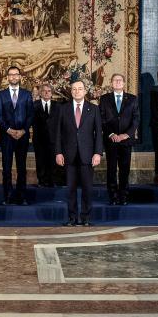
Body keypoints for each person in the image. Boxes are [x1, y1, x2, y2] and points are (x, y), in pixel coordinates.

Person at [55, 79, 103, 226]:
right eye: (74, 89)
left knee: (87, 189)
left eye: (80, 89)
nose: (77, 91)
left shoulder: (93, 109)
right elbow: (58, 133)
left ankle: (86, 218)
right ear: (71, 92)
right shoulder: (63, 109)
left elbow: (98, 133)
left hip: (87, 155)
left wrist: (98, 153)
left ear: (85, 91)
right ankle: (72, 218)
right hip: (68, 155)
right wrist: (58, 152)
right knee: (70, 189)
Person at [0, 65, 34, 205]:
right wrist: (9, 130)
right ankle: (8, 197)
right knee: (6, 168)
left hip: (23, 136)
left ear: (20, 76)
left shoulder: (27, 94)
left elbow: (31, 115)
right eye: (11, 74)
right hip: (7, 136)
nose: (14, 77)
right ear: (7, 77)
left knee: (22, 168)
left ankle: (21, 196)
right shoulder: (1, 95)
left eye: (16, 74)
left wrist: (23, 130)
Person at [100, 73, 139, 205]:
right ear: (111, 83)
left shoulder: (132, 99)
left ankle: (123, 196)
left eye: (120, 80)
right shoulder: (104, 99)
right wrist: (111, 134)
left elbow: (136, 119)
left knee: (124, 169)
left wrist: (126, 135)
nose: (117, 82)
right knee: (111, 169)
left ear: (124, 83)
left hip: (126, 141)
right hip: (111, 140)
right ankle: (113, 196)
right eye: (115, 80)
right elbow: (102, 119)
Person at [32, 83, 60, 188]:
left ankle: (52, 180)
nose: (47, 93)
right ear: (40, 93)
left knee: (52, 161)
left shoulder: (58, 106)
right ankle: (41, 181)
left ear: (52, 93)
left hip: (53, 139)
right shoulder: (34, 105)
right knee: (40, 160)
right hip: (39, 139)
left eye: (49, 91)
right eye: (44, 91)